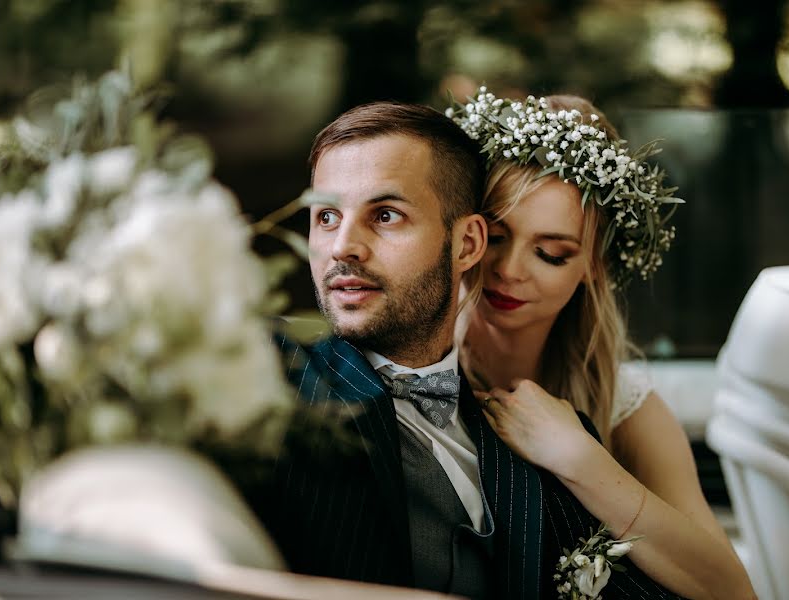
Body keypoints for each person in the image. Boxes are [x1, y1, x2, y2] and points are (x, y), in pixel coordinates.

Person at [268, 100, 683, 599]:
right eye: (326, 216)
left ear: (467, 244)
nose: (342, 247)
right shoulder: (263, 365)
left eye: (385, 215)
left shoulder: (551, 452)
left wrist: (581, 458)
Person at [450, 89, 757, 599]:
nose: (508, 271)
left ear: (593, 266)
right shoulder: (412, 377)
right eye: (497, 237)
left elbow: (732, 591)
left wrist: (580, 458)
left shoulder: (627, 408)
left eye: (550, 253)